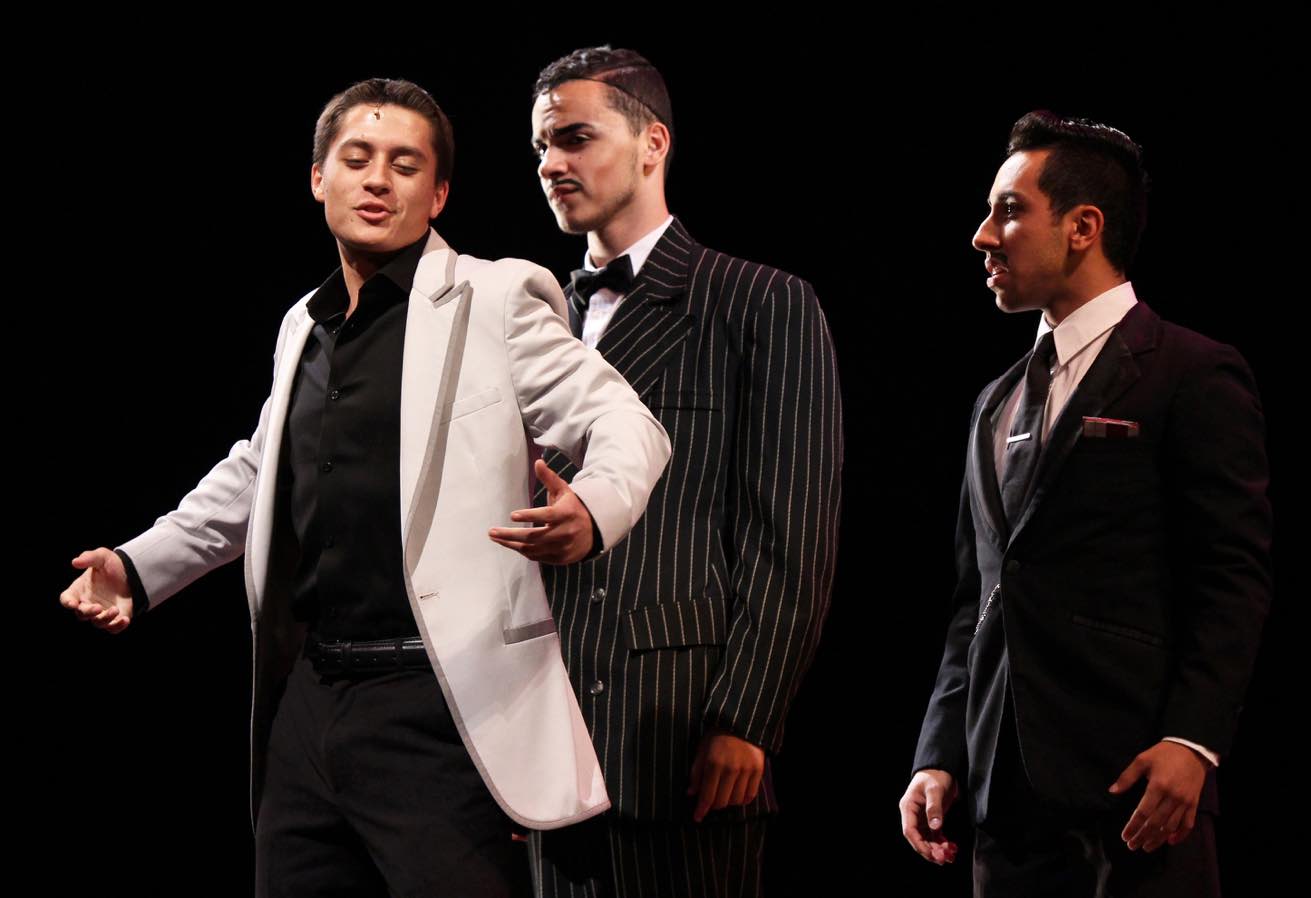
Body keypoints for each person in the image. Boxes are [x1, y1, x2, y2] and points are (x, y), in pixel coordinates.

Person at [59, 77, 671, 898]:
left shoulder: (493, 298)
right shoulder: (300, 324)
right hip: (306, 702)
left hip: (439, 706)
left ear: (439, 191)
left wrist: (592, 510)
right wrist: (137, 567)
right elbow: (258, 471)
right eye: (357, 159)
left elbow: (629, 425)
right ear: (320, 178)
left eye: (405, 164)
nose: (378, 180)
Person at [899, 110, 1272, 897]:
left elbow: (1232, 575)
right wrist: (939, 751)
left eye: (1008, 210)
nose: (982, 236)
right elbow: (979, 600)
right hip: (1002, 809)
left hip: (1134, 794)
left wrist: (1192, 741)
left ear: (1083, 226)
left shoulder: (1191, 372)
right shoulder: (993, 400)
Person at [525, 47, 843, 897]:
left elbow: (792, 534)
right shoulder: (534, 318)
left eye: (575, 138)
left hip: (676, 736)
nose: (553, 163)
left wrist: (747, 716)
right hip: (532, 744)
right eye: (541, 148)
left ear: (653, 142)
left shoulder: (760, 301)